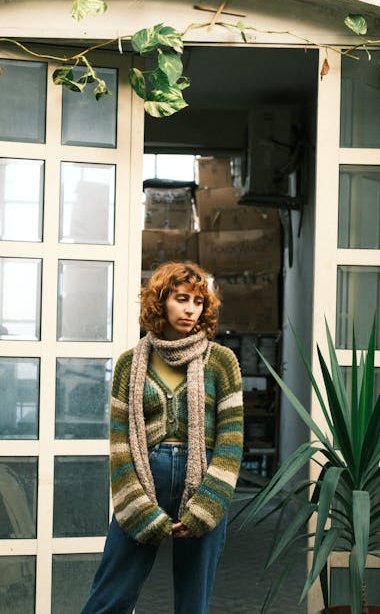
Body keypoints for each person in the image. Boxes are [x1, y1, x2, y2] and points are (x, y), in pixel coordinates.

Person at [81, 262, 244, 614]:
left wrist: (209, 504)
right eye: (181, 299)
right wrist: (135, 504)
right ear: (160, 302)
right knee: (109, 598)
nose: (190, 309)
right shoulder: (129, 364)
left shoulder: (221, 362)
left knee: (193, 603)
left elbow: (231, 441)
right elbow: (120, 443)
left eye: (198, 302)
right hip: (143, 481)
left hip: (204, 483)